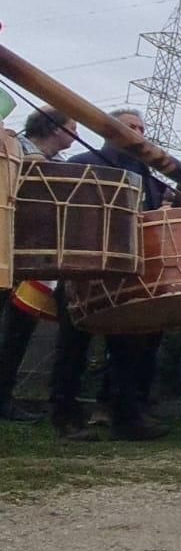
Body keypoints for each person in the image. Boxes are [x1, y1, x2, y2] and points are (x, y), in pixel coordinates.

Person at [50, 110, 173, 440]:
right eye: (130, 126)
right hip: (84, 268)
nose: (137, 133)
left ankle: (127, 417)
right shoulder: (82, 161)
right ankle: (65, 417)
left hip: (126, 271)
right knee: (73, 345)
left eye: (142, 128)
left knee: (127, 348)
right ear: (108, 129)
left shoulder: (145, 172)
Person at [0, 107, 79, 422]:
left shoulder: (61, 166)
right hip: (9, 253)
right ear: (55, 128)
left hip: (39, 261)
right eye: (72, 126)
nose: (76, 133)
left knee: (18, 332)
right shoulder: (12, 148)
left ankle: (3, 397)